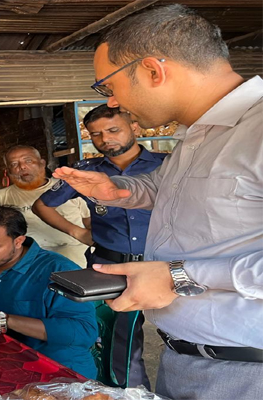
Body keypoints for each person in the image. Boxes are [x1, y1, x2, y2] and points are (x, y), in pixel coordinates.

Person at [52, 5, 263, 399]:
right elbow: (172, 187)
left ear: (152, 71)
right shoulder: (196, 135)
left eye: (108, 87)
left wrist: (177, 275)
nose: (112, 102)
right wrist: (120, 191)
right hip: (183, 359)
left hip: (247, 372)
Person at [33, 104, 167, 388]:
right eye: (96, 134)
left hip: (163, 263)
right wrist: (78, 232)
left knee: (182, 334)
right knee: (119, 339)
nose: (105, 139)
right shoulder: (86, 172)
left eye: (113, 130)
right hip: (110, 265)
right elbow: (42, 205)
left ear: (134, 127)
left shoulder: (166, 166)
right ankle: (128, 392)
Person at [0, 206, 97, 378]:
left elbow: (84, 332)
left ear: (18, 241)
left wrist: (3, 321)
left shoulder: (60, 271)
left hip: (56, 371)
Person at [0, 145, 90, 267]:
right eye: (14, 164)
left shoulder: (67, 189)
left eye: (28, 161)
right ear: (8, 170)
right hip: (29, 262)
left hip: (75, 260)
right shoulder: (0, 198)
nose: (22, 167)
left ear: (42, 163)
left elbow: (89, 222)